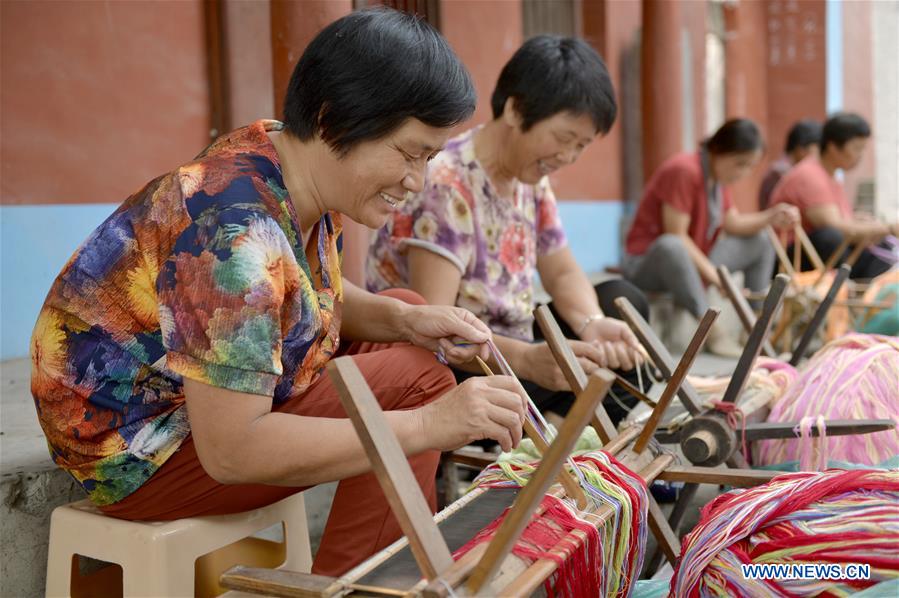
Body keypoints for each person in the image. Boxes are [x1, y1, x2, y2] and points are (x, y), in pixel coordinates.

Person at [29, 9, 529, 577]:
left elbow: (300, 294)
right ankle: (365, 586)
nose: (415, 182)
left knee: (413, 317)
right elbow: (233, 450)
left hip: (190, 405)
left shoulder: (287, 159)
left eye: (429, 158)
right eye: (408, 153)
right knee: (419, 385)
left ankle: (371, 567)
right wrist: (431, 424)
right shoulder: (233, 233)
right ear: (332, 118)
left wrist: (407, 321)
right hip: (137, 450)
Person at [366, 35, 648, 427]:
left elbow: (562, 271)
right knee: (585, 368)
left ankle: (551, 429)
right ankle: (548, 435)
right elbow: (437, 326)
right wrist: (527, 360)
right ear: (515, 110)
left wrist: (591, 323)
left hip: (513, 341)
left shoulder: (529, 177)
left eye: (581, 145)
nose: (567, 157)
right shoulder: (447, 183)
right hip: (457, 364)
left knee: (622, 308)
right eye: (564, 138)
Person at [622, 119, 800, 356]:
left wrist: (771, 216)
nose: (743, 173)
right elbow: (676, 235)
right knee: (672, 245)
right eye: (740, 164)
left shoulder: (717, 179)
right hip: (651, 265)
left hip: (695, 259)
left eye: (749, 167)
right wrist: (719, 280)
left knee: (761, 240)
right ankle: (712, 332)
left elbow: (733, 223)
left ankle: (754, 329)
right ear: (718, 150)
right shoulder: (684, 170)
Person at [770, 112, 898, 279]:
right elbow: (835, 227)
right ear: (833, 146)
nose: (859, 156)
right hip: (788, 259)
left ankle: (860, 297)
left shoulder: (831, 176)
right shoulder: (809, 175)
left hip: (822, 251)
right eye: (856, 148)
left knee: (881, 244)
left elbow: (843, 220)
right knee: (831, 238)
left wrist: (865, 224)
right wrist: (888, 228)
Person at [757, 119, 821, 209]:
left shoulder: (786, 168)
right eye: (818, 151)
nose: (819, 157)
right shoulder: (781, 172)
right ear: (801, 149)